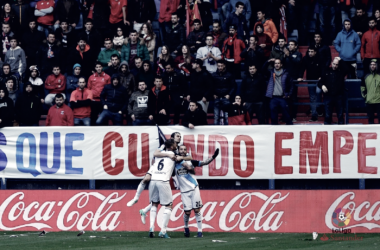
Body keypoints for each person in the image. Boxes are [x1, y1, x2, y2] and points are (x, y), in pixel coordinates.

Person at [174, 145, 210, 238]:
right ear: (178, 150)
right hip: (184, 191)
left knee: (197, 210)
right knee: (187, 212)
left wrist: (212, 158)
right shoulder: (174, 163)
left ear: (186, 151)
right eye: (181, 149)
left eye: (184, 149)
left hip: (194, 188)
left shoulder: (190, 162)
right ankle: (186, 228)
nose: (183, 150)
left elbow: (203, 163)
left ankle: (200, 231)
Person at [147, 139, 178, 238]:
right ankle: (163, 231)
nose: (176, 145)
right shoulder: (173, 155)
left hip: (153, 179)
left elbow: (155, 153)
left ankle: (151, 227)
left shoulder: (159, 153)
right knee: (169, 205)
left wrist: (162, 147)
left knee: (154, 203)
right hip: (163, 181)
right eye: (175, 144)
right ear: (172, 147)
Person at [317, 57, 348, 125]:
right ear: (331, 63)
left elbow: (346, 69)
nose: (335, 66)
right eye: (334, 64)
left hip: (338, 96)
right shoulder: (326, 71)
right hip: (328, 96)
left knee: (340, 116)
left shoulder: (341, 71)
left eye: (336, 64)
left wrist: (340, 60)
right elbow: (320, 82)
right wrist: (322, 86)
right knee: (327, 116)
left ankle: (341, 132)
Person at [263, 58, 293, 125]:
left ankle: (291, 127)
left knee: (286, 113)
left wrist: (289, 94)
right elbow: (262, 70)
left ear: (281, 65)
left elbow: (291, 84)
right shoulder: (270, 72)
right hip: (273, 97)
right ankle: (274, 128)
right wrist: (268, 61)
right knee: (273, 114)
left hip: (282, 97)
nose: (277, 65)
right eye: (275, 63)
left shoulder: (286, 73)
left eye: (278, 63)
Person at [298, 46, 323, 122]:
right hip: (310, 80)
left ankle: (318, 107)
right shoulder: (305, 58)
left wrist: (321, 77)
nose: (310, 53)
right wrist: (300, 77)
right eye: (309, 52)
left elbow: (323, 69)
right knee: (312, 98)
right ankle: (314, 115)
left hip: (319, 81)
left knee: (318, 92)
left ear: (315, 52)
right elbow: (302, 68)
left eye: (312, 52)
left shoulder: (320, 58)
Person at [212, 60, 236, 125]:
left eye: (221, 66)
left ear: (224, 65)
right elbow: (210, 86)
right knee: (216, 117)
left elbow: (233, 86)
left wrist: (229, 94)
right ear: (217, 66)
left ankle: (228, 132)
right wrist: (213, 94)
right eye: (219, 66)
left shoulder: (229, 75)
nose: (220, 67)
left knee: (227, 117)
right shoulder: (213, 75)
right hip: (217, 97)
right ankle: (215, 133)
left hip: (226, 98)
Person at [283, 40, 302, 122]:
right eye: (289, 44)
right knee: (284, 98)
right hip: (285, 78)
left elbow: (298, 63)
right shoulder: (285, 54)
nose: (290, 46)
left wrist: (289, 56)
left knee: (293, 98)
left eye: (292, 44)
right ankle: (285, 116)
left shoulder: (298, 54)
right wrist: (284, 56)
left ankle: (293, 116)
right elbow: (281, 64)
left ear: (295, 46)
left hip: (294, 79)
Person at [361, 59, 380, 124]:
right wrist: (365, 96)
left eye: (374, 65)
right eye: (371, 65)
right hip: (369, 101)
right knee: (370, 120)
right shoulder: (366, 76)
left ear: (377, 66)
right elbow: (362, 87)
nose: (372, 66)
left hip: (379, 101)